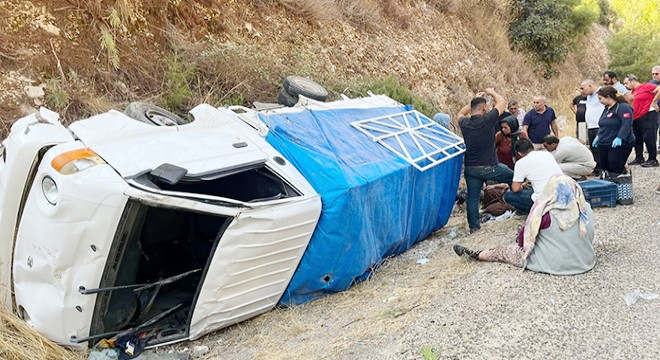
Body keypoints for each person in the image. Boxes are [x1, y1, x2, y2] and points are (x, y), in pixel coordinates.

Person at [453, 174, 596, 276]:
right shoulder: (586, 209)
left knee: (506, 250)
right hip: (584, 261)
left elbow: (523, 244)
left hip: (555, 265)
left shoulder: (543, 214)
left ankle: (477, 254)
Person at [458, 88, 514, 233]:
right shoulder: (488, 119)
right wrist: (492, 92)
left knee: (472, 198)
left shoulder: (464, 123)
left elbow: (460, 113)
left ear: (471, 109)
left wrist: (473, 100)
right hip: (490, 166)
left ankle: (474, 228)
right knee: (514, 176)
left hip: (471, 168)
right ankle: (520, 203)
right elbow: (502, 102)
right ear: (484, 108)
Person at [503, 138, 562, 214]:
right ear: (532, 147)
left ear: (519, 153)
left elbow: (515, 188)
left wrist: (522, 186)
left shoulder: (520, 163)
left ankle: (531, 210)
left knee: (508, 196)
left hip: (545, 199)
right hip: (561, 192)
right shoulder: (547, 154)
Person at [592, 86, 635, 178]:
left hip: (618, 143)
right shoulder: (607, 108)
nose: (599, 101)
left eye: (600, 98)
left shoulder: (623, 107)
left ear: (608, 97)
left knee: (614, 167)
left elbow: (626, 124)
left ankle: (619, 185)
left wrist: (620, 137)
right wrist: (599, 136)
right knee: (605, 167)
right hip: (605, 141)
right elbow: (603, 124)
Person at [623, 75, 660, 167]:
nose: (625, 85)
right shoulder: (633, 92)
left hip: (647, 114)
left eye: (626, 83)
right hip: (636, 117)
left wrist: (654, 101)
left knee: (649, 137)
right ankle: (639, 157)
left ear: (633, 81)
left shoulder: (646, 86)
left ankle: (652, 159)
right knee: (637, 138)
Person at [581, 79, 605, 175]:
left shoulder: (601, 93)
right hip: (591, 126)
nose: (582, 90)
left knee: (601, 148)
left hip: (599, 125)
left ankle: (603, 168)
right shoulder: (589, 96)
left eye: (583, 88)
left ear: (590, 85)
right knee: (593, 148)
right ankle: (597, 168)